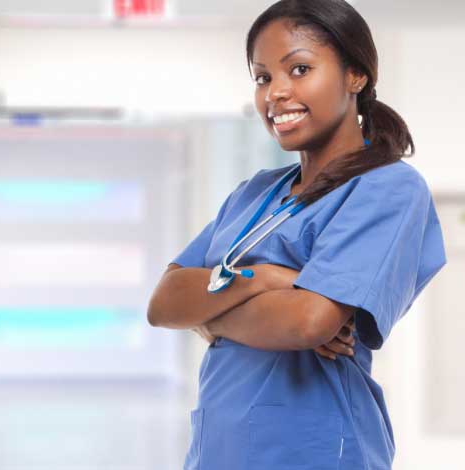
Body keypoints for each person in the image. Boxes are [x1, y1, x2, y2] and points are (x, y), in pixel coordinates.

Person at [146, 0, 447, 468]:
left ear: (356, 75)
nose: (276, 94)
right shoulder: (255, 193)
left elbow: (309, 322)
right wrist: (266, 279)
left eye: (300, 69)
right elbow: (164, 302)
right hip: (220, 452)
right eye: (263, 77)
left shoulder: (387, 189)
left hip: (315, 451)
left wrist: (209, 318)